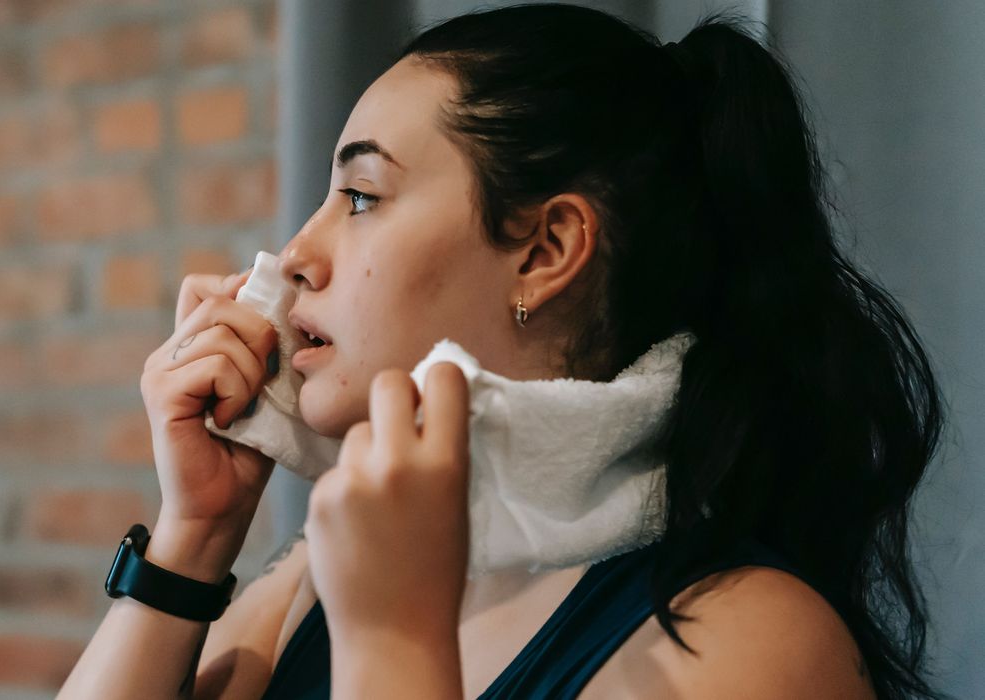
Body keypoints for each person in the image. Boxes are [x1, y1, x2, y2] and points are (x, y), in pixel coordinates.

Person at [59, 3, 948, 698]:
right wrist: (197, 535)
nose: (295, 254)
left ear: (546, 250)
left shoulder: (751, 638)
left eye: (362, 196)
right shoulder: (312, 585)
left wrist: (397, 643)